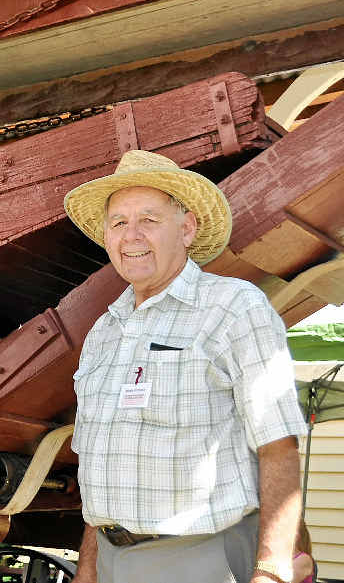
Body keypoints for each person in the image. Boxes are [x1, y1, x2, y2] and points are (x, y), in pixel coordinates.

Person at [62, 150, 307, 583]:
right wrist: (87, 569)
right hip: (109, 559)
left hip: (200, 558)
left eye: (149, 220)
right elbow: (102, 469)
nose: (131, 236)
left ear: (187, 228)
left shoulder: (232, 307)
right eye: (119, 223)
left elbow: (278, 445)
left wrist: (271, 569)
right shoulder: (104, 331)